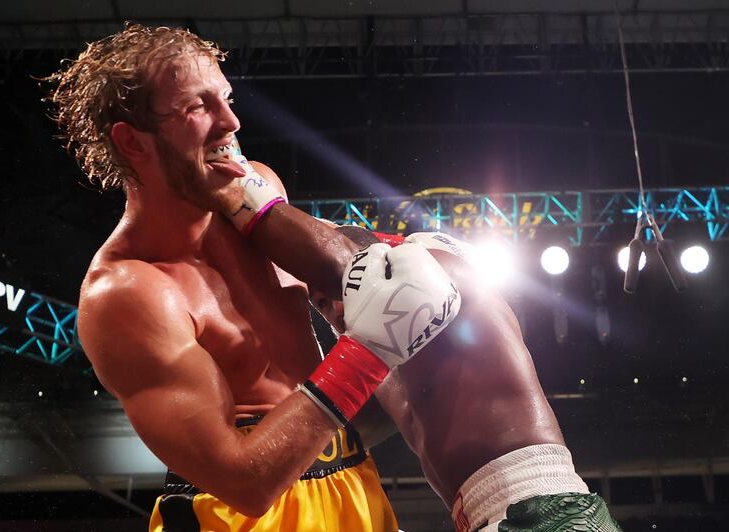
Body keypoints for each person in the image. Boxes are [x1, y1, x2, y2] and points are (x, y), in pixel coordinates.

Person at [45, 23, 462, 532]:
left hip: (350, 478)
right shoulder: (128, 293)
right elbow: (244, 483)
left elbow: (335, 353)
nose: (231, 121)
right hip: (238, 515)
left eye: (225, 97)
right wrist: (371, 351)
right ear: (133, 142)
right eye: (197, 108)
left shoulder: (255, 192)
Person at [215, 142, 623, 531]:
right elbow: (333, 439)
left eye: (335, 292)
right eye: (321, 306)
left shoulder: (437, 270)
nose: (337, 311)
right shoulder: (387, 352)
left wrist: (233, 182)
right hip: (493, 515)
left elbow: (342, 258)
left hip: (541, 505)